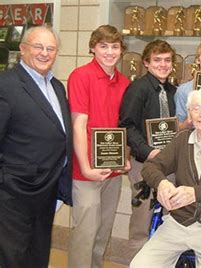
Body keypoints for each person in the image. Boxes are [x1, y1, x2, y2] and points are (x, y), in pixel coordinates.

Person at [130, 88, 201, 267]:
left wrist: (196, 193)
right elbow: (150, 167)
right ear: (189, 115)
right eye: (196, 109)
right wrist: (161, 183)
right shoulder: (181, 140)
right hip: (178, 224)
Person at [0, 26, 72, 268]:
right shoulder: (6, 86)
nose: (45, 53)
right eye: (38, 47)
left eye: (50, 48)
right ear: (22, 49)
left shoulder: (57, 86)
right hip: (13, 194)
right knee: (12, 257)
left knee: (38, 254)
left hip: (46, 189)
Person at [67, 25, 131, 268]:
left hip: (112, 171)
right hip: (85, 172)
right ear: (93, 48)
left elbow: (125, 125)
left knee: (102, 232)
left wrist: (124, 157)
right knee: (85, 233)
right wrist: (85, 167)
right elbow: (78, 125)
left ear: (121, 51)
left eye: (115, 46)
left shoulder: (124, 82)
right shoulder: (80, 76)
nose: (109, 52)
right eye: (103, 46)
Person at [119, 39, 177, 257]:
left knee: (169, 221)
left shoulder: (173, 91)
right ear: (146, 63)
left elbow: (174, 126)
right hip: (143, 164)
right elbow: (127, 126)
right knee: (142, 221)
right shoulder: (137, 89)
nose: (163, 64)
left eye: (167, 60)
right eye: (157, 60)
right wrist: (149, 151)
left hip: (168, 166)